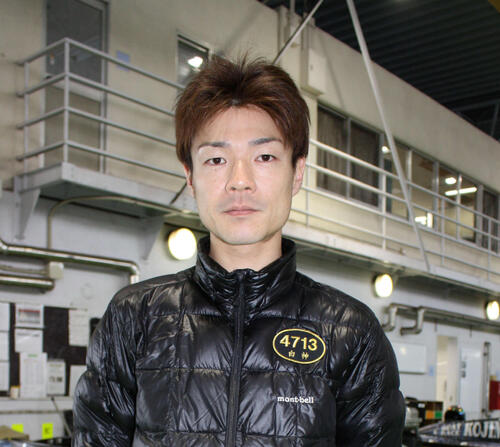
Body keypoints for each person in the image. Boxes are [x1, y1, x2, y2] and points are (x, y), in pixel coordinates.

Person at [72, 56, 405, 446]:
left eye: (264, 157)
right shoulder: (134, 318)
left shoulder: (352, 333)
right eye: (216, 159)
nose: (239, 181)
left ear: (297, 172)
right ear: (190, 176)